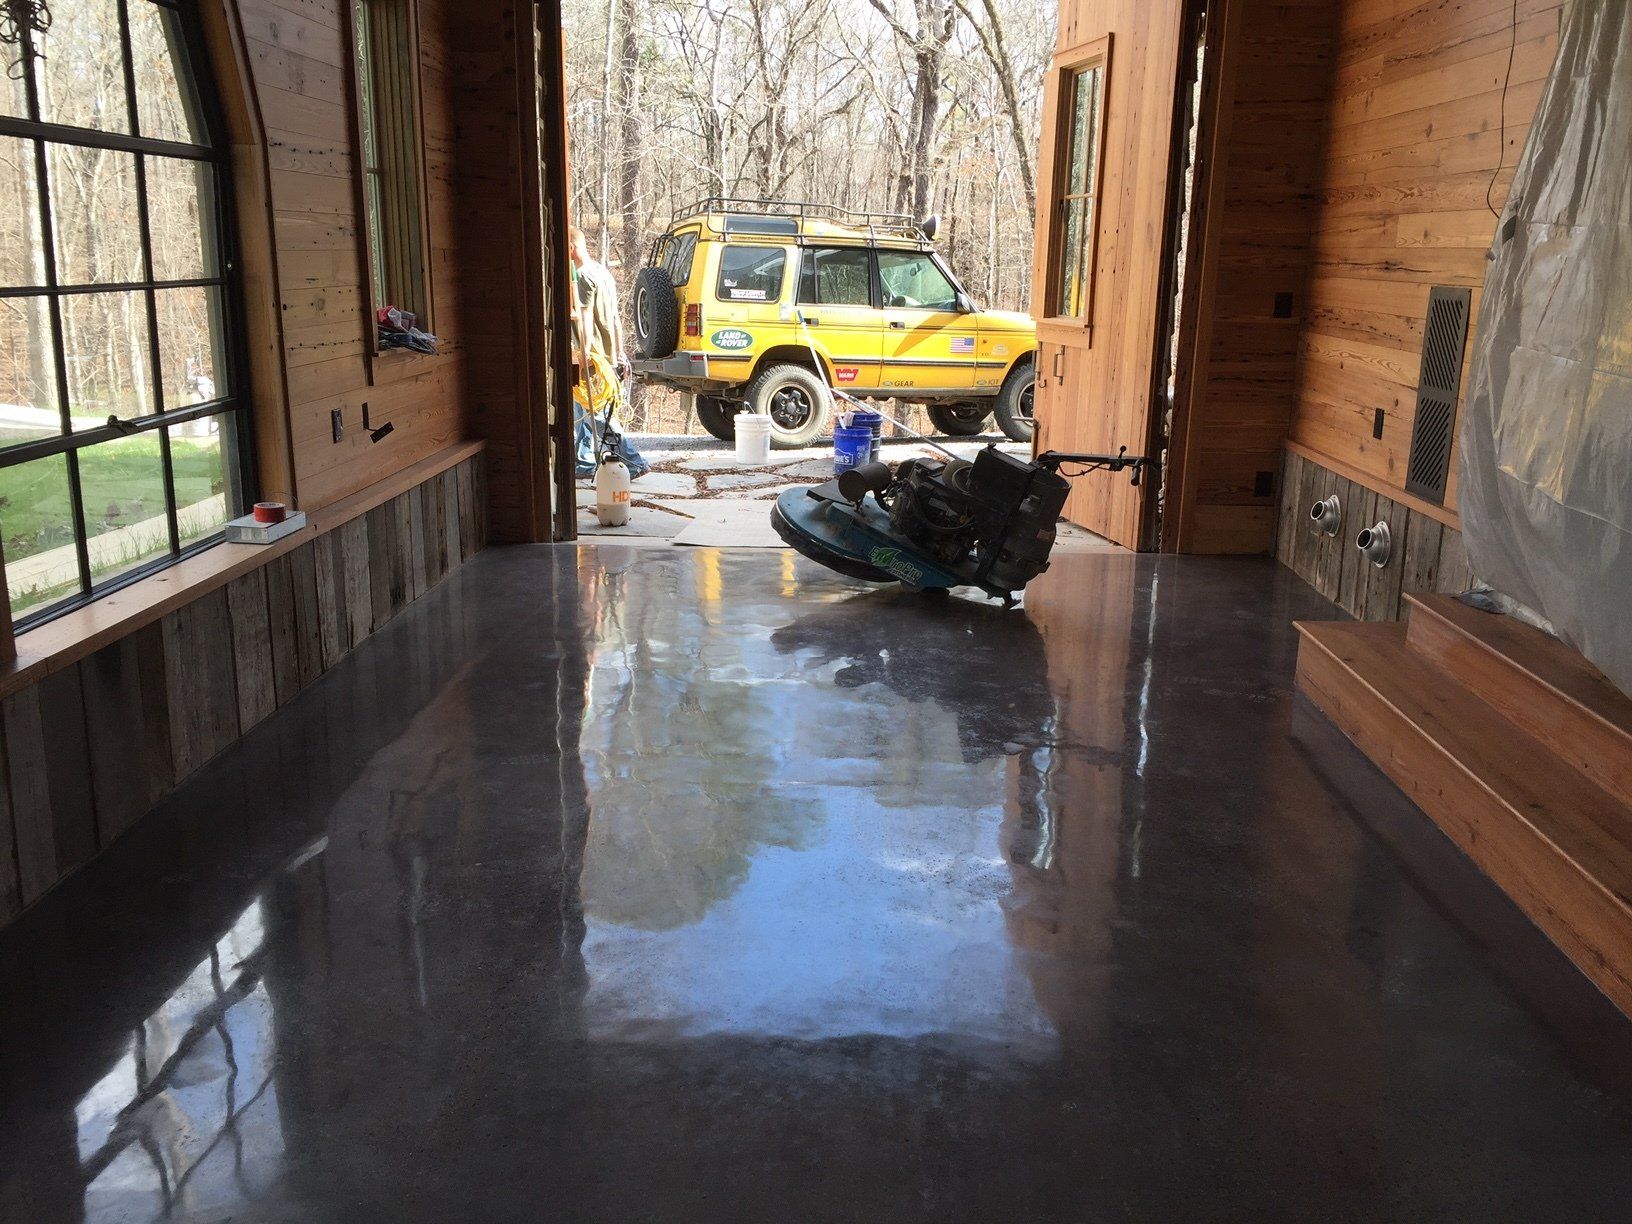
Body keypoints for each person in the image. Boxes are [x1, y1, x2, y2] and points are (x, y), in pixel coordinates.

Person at [569, 225, 648, 479]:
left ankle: (633, 462)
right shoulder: (603, 273)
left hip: (592, 359)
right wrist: (619, 353)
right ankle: (582, 463)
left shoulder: (582, 277)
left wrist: (582, 356)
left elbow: (585, 321)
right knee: (582, 413)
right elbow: (614, 318)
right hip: (606, 357)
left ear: (571, 248)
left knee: (599, 416)